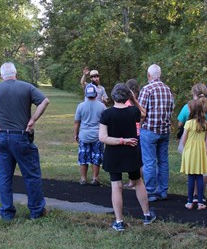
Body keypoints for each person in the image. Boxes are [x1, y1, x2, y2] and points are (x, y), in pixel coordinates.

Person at [0, 62, 50, 221]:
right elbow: (45, 101)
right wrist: (33, 119)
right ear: (16, 74)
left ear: (1, 76)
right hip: (21, 136)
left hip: (1, 137)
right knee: (31, 174)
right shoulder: (26, 87)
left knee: (4, 176)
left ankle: (7, 212)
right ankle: (36, 211)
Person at [99, 83, 155, 231]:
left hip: (114, 153)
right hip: (131, 152)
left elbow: (103, 138)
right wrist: (134, 100)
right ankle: (147, 215)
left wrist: (120, 141)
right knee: (138, 183)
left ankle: (119, 221)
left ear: (113, 95)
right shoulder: (133, 112)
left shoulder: (107, 114)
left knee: (116, 187)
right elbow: (144, 113)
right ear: (128, 96)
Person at [138, 64, 175, 202]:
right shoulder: (168, 89)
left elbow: (141, 113)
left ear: (149, 75)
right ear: (160, 75)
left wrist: (139, 127)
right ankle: (163, 191)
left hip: (149, 130)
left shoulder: (147, 89)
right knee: (163, 162)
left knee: (149, 162)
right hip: (164, 130)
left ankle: (151, 192)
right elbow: (171, 109)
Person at [180, 98, 207, 210]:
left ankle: (190, 201)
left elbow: (184, 140)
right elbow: (205, 138)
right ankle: (201, 202)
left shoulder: (188, 123)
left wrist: (184, 147)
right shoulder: (205, 124)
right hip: (200, 151)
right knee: (200, 176)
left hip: (190, 151)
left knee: (191, 176)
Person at [74, 84, 106, 186]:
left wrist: (76, 134)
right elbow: (106, 121)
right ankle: (95, 178)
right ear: (96, 94)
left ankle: (83, 179)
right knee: (96, 157)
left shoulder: (80, 106)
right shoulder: (102, 106)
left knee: (83, 157)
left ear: (86, 94)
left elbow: (77, 122)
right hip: (97, 136)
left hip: (84, 135)